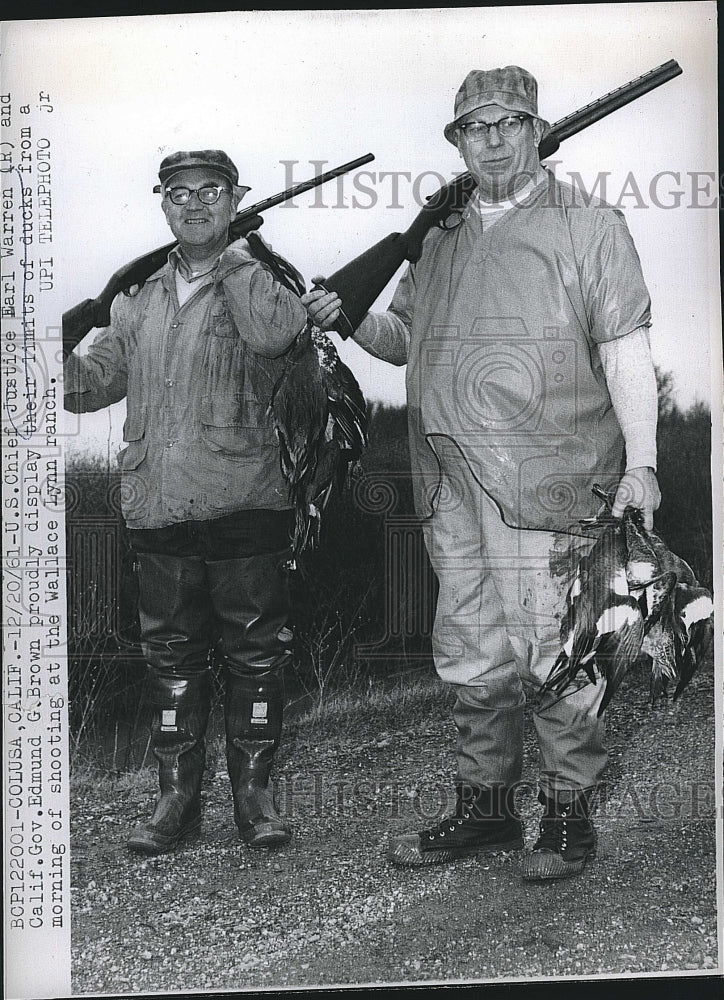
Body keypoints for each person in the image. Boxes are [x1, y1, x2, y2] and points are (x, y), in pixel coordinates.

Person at [303, 67, 661, 880]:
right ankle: (487, 810)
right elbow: (405, 339)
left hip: (551, 476)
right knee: (468, 646)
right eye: (476, 127)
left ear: (537, 130)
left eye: (509, 123)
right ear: (457, 141)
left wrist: (642, 463)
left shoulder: (590, 225)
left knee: (552, 645)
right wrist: (351, 317)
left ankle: (567, 814)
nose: (493, 139)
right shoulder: (438, 234)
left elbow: (625, 349)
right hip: (447, 482)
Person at [64, 149, 308, 855]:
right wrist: (47, 343)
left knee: (256, 658)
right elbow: (86, 388)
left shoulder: (262, 281)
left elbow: (276, 334)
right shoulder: (134, 299)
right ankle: (175, 803)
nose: (194, 205)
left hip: (245, 504)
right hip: (158, 507)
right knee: (170, 662)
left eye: (211, 193)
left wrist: (234, 259)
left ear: (236, 201)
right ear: (161, 204)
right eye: (179, 194)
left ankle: (254, 799)